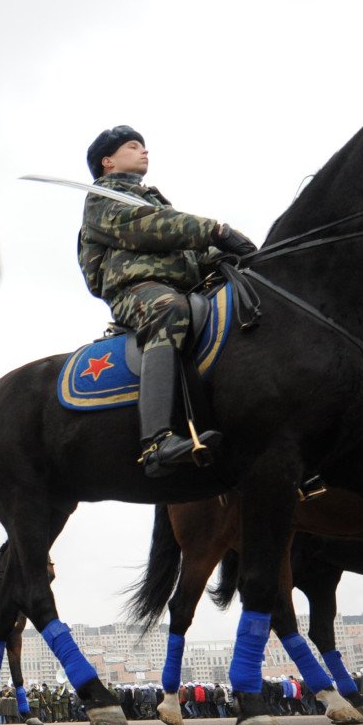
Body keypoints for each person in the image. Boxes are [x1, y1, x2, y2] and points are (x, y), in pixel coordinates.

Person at [78, 125, 258, 477]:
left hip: (185, 285)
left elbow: (187, 248)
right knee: (168, 310)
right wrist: (217, 231)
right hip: (137, 290)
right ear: (108, 162)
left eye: (144, 146)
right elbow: (150, 227)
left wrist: (225, 256)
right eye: (133, 146)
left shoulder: (152, 199)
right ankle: (157, 443)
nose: (144, 152)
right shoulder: (103, 199)